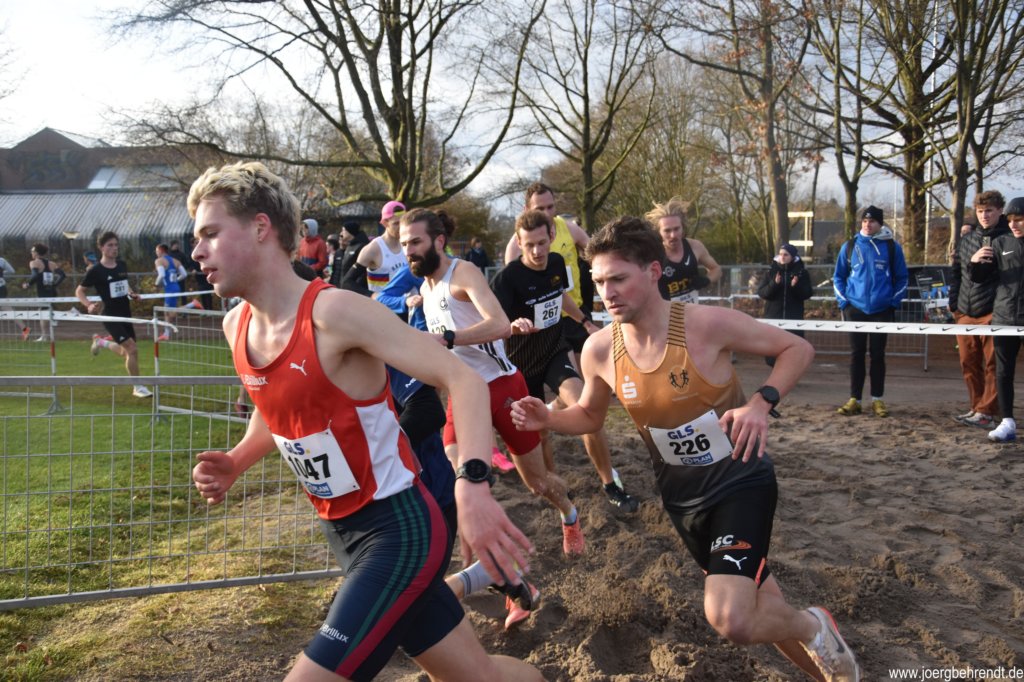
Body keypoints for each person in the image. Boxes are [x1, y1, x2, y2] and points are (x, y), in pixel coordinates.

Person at [187, 161, 541, 682]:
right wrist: (237, 460)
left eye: (210, 234)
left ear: (260, 227)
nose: (197, 251)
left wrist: (472, 486)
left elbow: (462, 379)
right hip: (341, 531)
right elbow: (278, 410)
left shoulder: (336, 313)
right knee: (477, 677)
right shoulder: (235, 324)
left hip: (399, 530)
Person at [511, 216, 861, 682]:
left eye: (618, 279)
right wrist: (550, 418)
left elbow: (797, 349)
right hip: (682, 498)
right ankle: (829, 674)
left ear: (653, 272)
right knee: (759, 603)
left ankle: (814, 625)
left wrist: (761, 403)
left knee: (731, 617)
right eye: (598, 282)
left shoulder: (706, 325)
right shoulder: (599, 349)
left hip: (739, 480)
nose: (607, 293)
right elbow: (591, 416)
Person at [400, 207, 586, 558]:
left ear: (438, 241)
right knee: (461, 476)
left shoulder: (463, 273)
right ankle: (485, 560)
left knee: (538, 483)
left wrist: (448, 337)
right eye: (404, 244)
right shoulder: (425, 288)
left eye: (415, 242)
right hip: (463, 394)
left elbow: (500, 324)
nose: (408, 251)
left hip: (502, 386)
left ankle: (569, 514)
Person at [491, 209, 639, 513]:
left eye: (541, 243)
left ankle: (610, 483)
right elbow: (492, 321)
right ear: (518, 242)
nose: (537, 251)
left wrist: (585, 322)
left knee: (587, 410)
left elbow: (560, 296)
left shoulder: (557, 263)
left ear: (551, 237)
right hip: (520, 365)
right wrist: (512, 325)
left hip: (554, 353)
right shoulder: (507, 278)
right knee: (539, 432)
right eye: (529, 245)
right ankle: (554, 484)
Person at [832, 205, 908, 418]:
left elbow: (902, 278)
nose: (867, 224)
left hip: (881, 310)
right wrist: (844, 303)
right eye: (865, 221)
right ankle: (854, 399)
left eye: (872, 221)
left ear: (880, 224)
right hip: (854, 309)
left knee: (878, 355)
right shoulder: (849, 246)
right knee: (856, 354)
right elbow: (838, 276)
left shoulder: (892, 247)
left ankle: (877, 399)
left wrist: (893, 303)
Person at [504, 183, 591, 357]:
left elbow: (596, 255)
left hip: (575, 312)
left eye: (550, 207)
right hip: (544, 322)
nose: (546, 213)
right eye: (540, 208)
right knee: (559, 368)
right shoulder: (516, 245)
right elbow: (514, 288)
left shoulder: (570, 229)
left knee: (586, 367)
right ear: (527, 209)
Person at [948, 191, 1008, 428]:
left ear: (1000, 211)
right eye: (981, 211)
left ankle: (988, 411)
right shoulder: (967, 240)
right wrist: (955, 305)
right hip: (965, 312)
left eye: (989, 211)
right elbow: (956, 273)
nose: (984, 215)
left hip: (993, 312)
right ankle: (976, 407)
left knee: (994, 365)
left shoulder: (1009, 239)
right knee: (968, 363)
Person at [968, 196, 1024, 443]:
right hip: (1005, 317)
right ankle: (1007, 421)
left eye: (1019, 220)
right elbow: (980, 278)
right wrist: (974, 263)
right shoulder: (1001, 243)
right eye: (1010, 220)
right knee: (1003, 372)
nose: (1013, 224)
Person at [77, 232, 152, 398]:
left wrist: (132, 293)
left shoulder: (121, 265)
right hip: (110, 316)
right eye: (110, 245)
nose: (114, 248)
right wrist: (89, 305)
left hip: (125, 314)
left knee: (127, 352)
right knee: (132, 349)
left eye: (116, 245)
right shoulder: (96, 270)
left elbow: (124, 284)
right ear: (101, 248)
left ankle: (101, 342)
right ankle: (137, 387)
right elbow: (79, 291)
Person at [644, 197, 721, 303]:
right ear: (659, 232)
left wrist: (706, 280)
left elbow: (716, 269)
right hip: (664, 312)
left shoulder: (695, 246)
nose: (673, 235)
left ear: (683, 228)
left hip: (692, 310)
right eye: (667, 231)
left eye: (676, 229)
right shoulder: (652, 254)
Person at [757, 243, 813, 367]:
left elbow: (807, 294)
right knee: (772, 355)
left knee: (793, 352)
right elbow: (762, 293)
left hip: (794, 318)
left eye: (786, 255)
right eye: (781, 254)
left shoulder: (802, 273)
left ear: (792, 257)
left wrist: (795, 286)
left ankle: (789, 373)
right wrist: (774, 284)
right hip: (773, 318)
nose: (782, 257)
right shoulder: (770, 273)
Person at [353, 201, 407, 294]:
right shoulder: (373, 248)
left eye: (403, 223)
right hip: (382, 303)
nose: (401, 227)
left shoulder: (408, 244)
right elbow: (347, 282)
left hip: (408, 302)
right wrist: (373, 296)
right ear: (385, 223)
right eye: (396, 223)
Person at [22, 243, 67, 342]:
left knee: (42, 313)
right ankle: (48, 333)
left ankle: (44, 336)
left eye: (32, 251)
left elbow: (35, 276)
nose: (31, 253)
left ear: (36, 253)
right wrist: (55, 284)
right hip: (51, 290)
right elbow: (63, 275)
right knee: (45, 311)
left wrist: (28, 284)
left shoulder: (34, 263)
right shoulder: (52, 264)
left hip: (42, 291)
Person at [153, 243, 188, 341]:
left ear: (161, 250)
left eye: (156, 251)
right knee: (167, 312)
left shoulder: (159, 261)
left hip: (169, 289)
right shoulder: (175, 261)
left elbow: (162, 275)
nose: (156, 253)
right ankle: (166, 334)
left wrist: (156, 285)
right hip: (175, 287)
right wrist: (175, 280)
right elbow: (184, 274)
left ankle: (192, 305)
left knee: (170, 313)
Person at [0, 253, 31, 341]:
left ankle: (25, 329)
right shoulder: (1, 260)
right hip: (2, 287)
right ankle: (24, 329)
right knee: (8, 309)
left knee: (7, 309)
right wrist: (2, 273)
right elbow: (12, 271)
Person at [336, 220, 370, 290]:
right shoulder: (350, 246)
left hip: (355, 287)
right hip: (345, 285)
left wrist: (356, 286)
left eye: (343, 230)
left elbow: (362, 270)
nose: (341, 233)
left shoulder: (362, 246)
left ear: (349, 231)